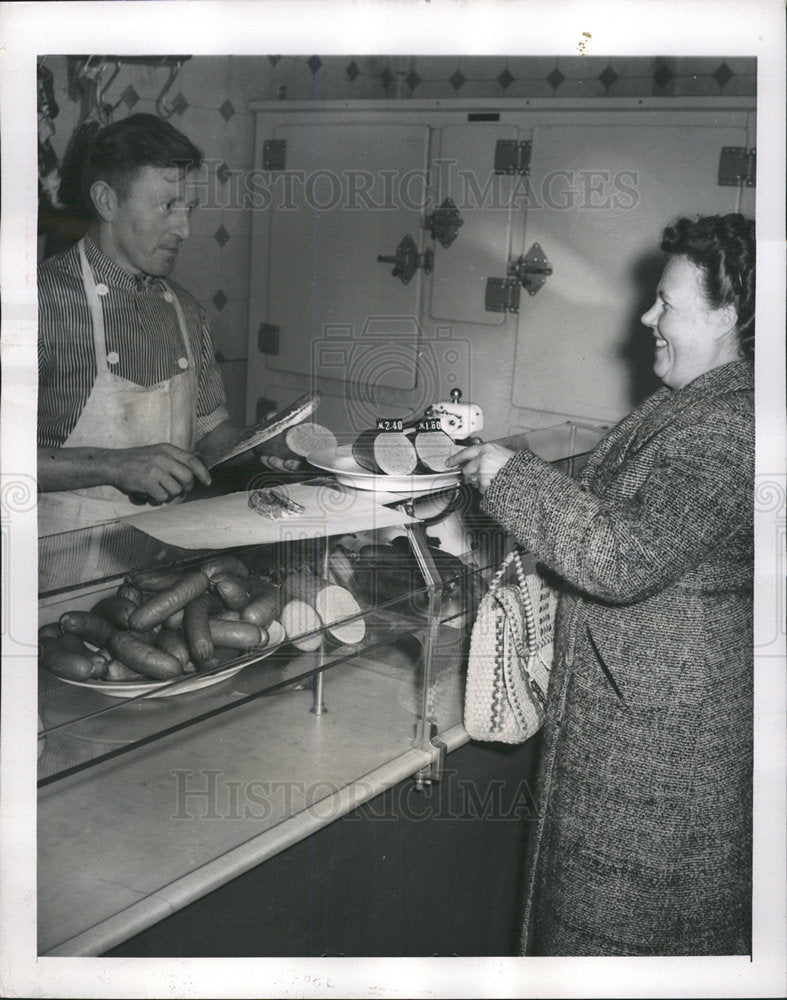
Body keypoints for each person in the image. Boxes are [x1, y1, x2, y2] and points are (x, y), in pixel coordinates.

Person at [449, 213, 755, 956]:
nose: (646, 318)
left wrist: (505, 475)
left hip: (662, 769)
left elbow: (623, 554)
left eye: (666, 304)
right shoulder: (691, 403)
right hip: (636, 737)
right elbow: (607, 491)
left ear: (729, 315)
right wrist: (498, 458)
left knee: (618, 942)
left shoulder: (731, 424)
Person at [37, 113, 293, 537]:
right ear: (107, 201)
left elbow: (211, 435)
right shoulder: (38, 303)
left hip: (164, 558)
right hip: (58, 566)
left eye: (188, 208)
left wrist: (262, 443)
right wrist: (115, 466)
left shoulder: (186, 309)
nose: (186, 229)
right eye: (167, 206)